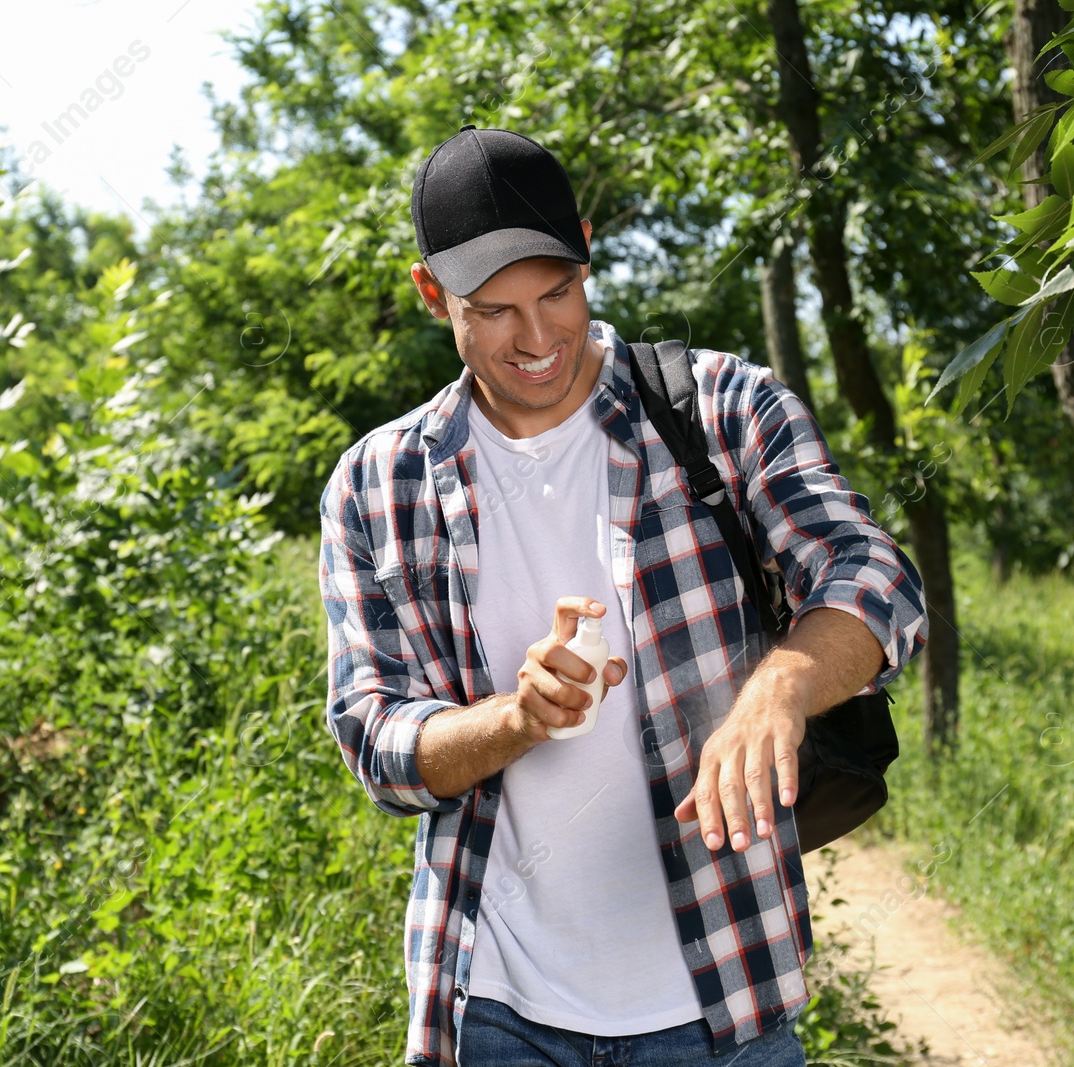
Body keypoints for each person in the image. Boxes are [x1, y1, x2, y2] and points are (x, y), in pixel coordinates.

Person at [317, 125, 928, 1067]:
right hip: (490, 1009)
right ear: (432, 293)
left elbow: (875, 575)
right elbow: (376, 740)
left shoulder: (721, 407)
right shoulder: (375, 484)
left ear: (588, 252)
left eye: (556, 293)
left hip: (725, 996)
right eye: (495, 310)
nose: (536, 338)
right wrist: (515, 721)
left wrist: (778, 690)